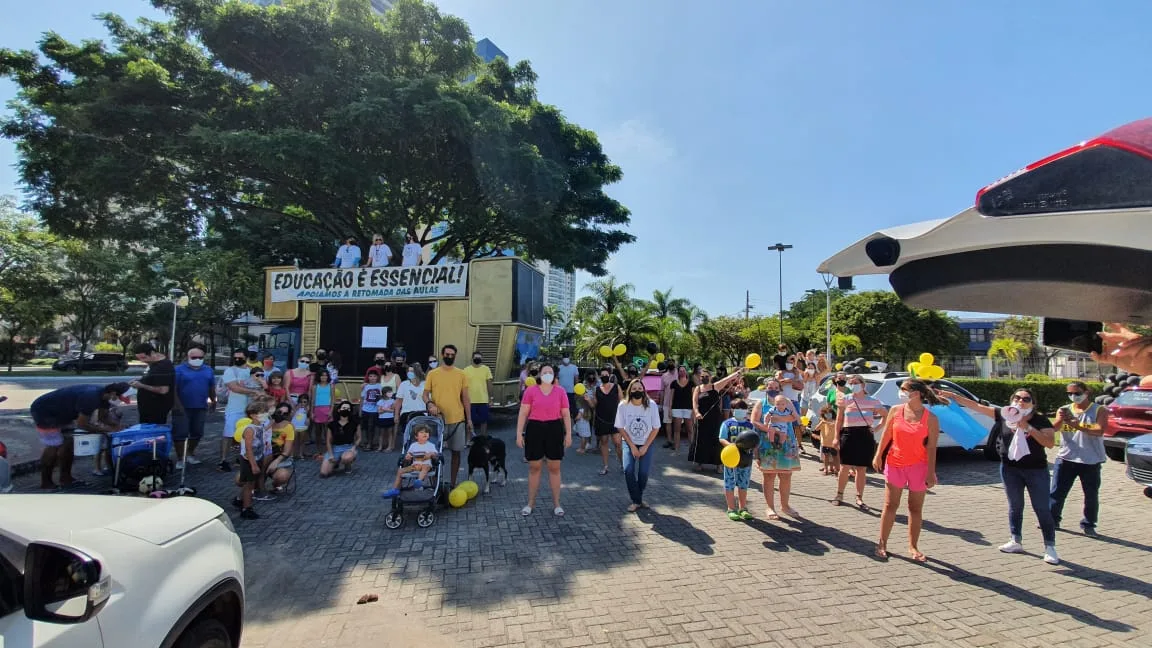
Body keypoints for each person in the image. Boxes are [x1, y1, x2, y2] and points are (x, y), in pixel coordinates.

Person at [944, 387, 1060, 565]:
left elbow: (1050, 443)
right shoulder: (1004, 415)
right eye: (1017, 398)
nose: (1020, 401)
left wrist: (1028, 427)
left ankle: (1049, 546)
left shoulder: (1040, 420)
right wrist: (952, 396)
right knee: (1015, 506)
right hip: (1009, 469)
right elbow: (975, 406)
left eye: (1026, 399)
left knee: (1041, 508)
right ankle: (1016, 540)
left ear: (1032, 403)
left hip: (1036, 470)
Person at [873, 379, 942, 561]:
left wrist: (930, 472)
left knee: (915, 508)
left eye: (904, 389)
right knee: (890, 505)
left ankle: (913, 546)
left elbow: (932, 447)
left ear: (916, 393)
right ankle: (882, 543)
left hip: (919, 466)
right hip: (895, 463)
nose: (901, 392)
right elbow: (887, 434)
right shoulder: (895, 410)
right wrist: (878, 455)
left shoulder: (931, 418)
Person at [30, 382, 130, 490]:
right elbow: (82, 424)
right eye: (120, 398)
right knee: (53, 445)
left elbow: (103, 418)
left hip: (64, 413)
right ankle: (46, 483)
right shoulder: (91, 397)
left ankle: (66, 478)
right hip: (44, 411)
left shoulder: (104, 397)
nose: (120, 401)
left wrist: (119, 427)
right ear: (113, 393)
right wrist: (106, 430)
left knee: (68, 444)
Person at [1050, 381, 1108, 536]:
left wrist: (1078, 425)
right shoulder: (1064, 409)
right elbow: (1053, 429)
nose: (1073, 396)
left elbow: (1099, 430)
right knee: (1057, 492)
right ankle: (1052, 520)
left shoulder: (1099, 410)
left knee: (1090, 494)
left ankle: (1089, 524)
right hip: (1066, 458)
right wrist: (1062, 420)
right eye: (1070, 394)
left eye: (1077, 393)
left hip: (1090, 460)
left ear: (1086, 392)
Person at [516, 363, 572, 516]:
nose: (548, 374)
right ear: (539, 374)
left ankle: (557, 504)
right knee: (534, 468)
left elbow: (566, 414)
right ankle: (530, 503)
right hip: (535, 429)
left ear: (554, 375)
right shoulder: (530, 391)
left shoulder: (560, 391)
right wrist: (519, 434)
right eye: (545, 372)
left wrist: (569, 434)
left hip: (554, 429)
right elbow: (523, 413)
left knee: (554, 468)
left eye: (550, 372)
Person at [832, 374, 886, 509]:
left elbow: (886, 416)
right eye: (851, 383)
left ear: (863, 385)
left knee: (861, 468)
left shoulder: (873, 401)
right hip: (848, 433)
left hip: (865, 435)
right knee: (844, 467)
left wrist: (877, 428)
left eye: (856, 382)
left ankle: (859, 497)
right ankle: (839, 494)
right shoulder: (845, 399)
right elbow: (839, 420)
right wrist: (836, 437)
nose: (853, 385)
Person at [424, 344, 472, 489]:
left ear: (455, 356)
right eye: (447, 354)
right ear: (442, 354)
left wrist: (469, 419)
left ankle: (452, 483)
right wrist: (430, 404)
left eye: (452, 355)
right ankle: (435, 484)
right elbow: (425, 394)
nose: (449, 357)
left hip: (457, 420)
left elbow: (465, 398)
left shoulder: (461, 374)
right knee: (434, 454)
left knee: (456, 453)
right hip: (438, 420)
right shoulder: (433, 373)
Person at [752, 390, 802, 520]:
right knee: (769, 476)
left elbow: (794, 417)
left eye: (775, 386)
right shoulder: (761, 404)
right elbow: (755, 421)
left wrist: (777, 419)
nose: (773, 388)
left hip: (787, 443)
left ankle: (785, 506)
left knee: (786, 475)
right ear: (766, 389)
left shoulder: (787, 401)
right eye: (770, 386)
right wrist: (769, 428)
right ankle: (770, 507)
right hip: (768, 442)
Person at [614, 379, 662, 512]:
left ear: (644, 390)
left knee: (643, 473)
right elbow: (620, 427)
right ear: (629, 391)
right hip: (629, 442)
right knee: (628, 470)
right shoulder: (623, 405)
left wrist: (645, 446)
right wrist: (632, 446)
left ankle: (637, 499)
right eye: (634, 389)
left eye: (640, 388)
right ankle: (637, 500)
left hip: (647, 442)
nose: (637, 391)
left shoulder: (651, 405)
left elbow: (656, 427)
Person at [220, 348, 265, 473]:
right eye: (235, 357)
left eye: (240, 357)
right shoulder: (230, 370)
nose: (237, 359)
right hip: (234, 408)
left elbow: (260, 385)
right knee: (228, 435)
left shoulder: (250, 371)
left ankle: (243, 457)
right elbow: (234, 387)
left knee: (246, 435)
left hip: (249, 409)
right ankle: (223, 460)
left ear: (246, 357)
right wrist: (253, 391)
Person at [689, 369, 743, 471]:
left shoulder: (716, 386)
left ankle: (718, 465)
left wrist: (738, 373)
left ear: (710, 377)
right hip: (701, 418)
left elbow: (728, 378)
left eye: (706, 376)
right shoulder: (697, 388)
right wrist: (696, 412)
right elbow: (695, 402)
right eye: (702, 376)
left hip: (715, 418)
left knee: (716, 440)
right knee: (701, 440)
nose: (704, 378)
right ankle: (700, 462)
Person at [172, 344, 216, 469]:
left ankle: (190, 453)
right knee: (180, 433)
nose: (197, 359)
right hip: (182, 407)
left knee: (197, 432)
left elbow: (211, 387)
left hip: (200, 406)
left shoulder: (208, 370)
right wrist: (177, 405)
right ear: (188, 357)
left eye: (200, 357)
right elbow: (173, 389)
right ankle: (180, 458)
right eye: (194, 357)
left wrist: (213, 400)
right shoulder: (179, 370)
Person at [718, 398, 756, 521]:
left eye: (742, 408)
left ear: (746, 410)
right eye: (736, 408)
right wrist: (730, 446)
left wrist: (756, 454)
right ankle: (731, 508)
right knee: (729, 483)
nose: (739, 410)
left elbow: (755, 441)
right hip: (731, 458)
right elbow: (722, 438)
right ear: (732, 410)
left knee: (743, 484)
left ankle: (743, 508)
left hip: (746, 459)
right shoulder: (727, 423)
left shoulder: (750, 425)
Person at [234, 400, 272, 520]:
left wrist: (274, 420)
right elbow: (248, 449)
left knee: (250, 482)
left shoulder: (259, 425)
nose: (265, 414)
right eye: (263, 412)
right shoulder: (250, 429)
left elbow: (265, 428)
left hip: (257, 457)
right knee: (249, 485)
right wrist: (254, 465)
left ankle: (241, 500)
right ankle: (246, 508)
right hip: (249, 460)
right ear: (253, 415)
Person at [380, 423, 438, 498]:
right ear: (416, 436)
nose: (425, 434)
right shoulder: (413, 445)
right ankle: (395, 489)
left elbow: (435, 454)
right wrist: (408, 456)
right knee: (400, 471)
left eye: (426, 432)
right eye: (422, 432)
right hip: (415, 465)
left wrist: (431, 454)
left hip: (426, 465)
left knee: (425, 467)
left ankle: (419, 481)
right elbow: (409, 454)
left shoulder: (430, 445)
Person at [586, 366, 621, 475]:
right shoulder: (597, 389)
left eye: (607, 375)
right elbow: (594, 404)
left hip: (615, 419)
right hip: (601, 420)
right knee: (604, 443)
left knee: (617, 443)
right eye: (603, 375)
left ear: (610, 376)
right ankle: (605, 466)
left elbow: (622, 402)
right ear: (600, 377)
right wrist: (588, 400)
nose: (605, 376)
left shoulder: (616, 387)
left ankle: (623, 464)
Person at [131, 343, 175, 425]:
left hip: (156, 409)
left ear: (152, 353)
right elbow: (153, 379)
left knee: (152, 433)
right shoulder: (153, 364)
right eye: (139, 359)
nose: (142, 361)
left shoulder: (163, 366)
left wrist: (141, 385)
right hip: (147, 408)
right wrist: (140, 381)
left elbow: (163, 390)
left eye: (144, 357)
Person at [322, 400, 360, 477]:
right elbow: (328, 441)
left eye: (348, 408)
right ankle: (336, 462)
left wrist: (353, 448)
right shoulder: (332, 424)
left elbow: (359, 438)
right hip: (335, 448)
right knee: (324, 473)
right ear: (339, 410)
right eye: (344, 408)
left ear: (351, 411)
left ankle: (347, 466)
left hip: (348, 447)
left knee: (347, 458)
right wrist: (331, 454)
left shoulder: (355, 423)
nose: (345, 410)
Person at [265, 402, 295, 492]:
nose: (281, 415)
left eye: (285, 414)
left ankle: (274, 485)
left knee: (282, 476)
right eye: (279, 412)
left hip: (279, 456)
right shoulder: (265, 421)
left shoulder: (289, 426)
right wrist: (270, 423)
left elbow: (287, 451)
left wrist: (275, 462)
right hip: (263, 455)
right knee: (239, 479)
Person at [463, 351, 494, 438]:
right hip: (470, 401)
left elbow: (489, 384)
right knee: (469, 421)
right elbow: (463, 386)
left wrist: (491, 398)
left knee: (484, 421)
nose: (477, 359)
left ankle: (483, 439)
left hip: (483, 400)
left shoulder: (486, 369)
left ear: (482, 359)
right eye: (476, 357)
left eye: (479, 357)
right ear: (472, 358)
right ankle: (468, 440)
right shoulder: (466, 370)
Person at [665, 366, 695, 455]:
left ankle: (692, 451)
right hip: (676, 408)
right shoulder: (674, 383)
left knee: (690, 430)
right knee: (677, 430)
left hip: (689, 408)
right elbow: (671, 397)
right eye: (680, 371)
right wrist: (670, 409)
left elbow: (694, 398)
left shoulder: (691, 383)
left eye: (683, 370)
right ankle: (676, 450)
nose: (682, 372)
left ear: (686, 372)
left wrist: (694, 410)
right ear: (678, 372)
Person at [308, 369, 335, 454]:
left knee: (327, 431)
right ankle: (319, 450)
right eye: (322, 375)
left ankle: (328, 449)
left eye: (326, 375)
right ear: (319, 377)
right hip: (317, 409)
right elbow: (313, 400)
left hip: (327, 409)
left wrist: (331, 411)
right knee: (318, 432)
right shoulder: (315, 386)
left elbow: (333, 400)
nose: (324, 377)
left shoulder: (331, 386)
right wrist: (312, 412)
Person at [360, 370, 383, 450]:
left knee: (372, 427)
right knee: (365, 427)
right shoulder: (365, 386)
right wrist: (360, 409)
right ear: (368, 377)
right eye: (370, 376)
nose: (372, 378)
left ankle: (371, 443)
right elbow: (362, 398)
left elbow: (382, 398)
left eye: (374, 376)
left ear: (377, 377)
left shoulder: (380, 386)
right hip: (365, 409)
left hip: (375, 410)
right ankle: (366, 442)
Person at [816, 409, 839, 475]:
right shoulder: (822, 422)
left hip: (833, 444)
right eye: (826, 414)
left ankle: (836, 469)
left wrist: (827, 423)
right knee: (826, 457)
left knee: (835, 457)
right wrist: (821, 423)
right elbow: (816, 429)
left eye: (829, 413)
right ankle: (825, 469)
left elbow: (836, 426)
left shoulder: (835, 421)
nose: (828, 415)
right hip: (825, 443)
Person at [290, 395, 311, 460]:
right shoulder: (295, 407)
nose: (302, 403)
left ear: (307, 402)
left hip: (303, 426)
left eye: (305, 402)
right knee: (294, 441)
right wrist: (296, 409)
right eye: (301, 402)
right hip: (294, 426)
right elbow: (291, 416)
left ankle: (300, 454)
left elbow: (308, 418)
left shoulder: (307, 409)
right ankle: (292, 454)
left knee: (302, 441)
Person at [377, 386, 397, 452]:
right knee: (381, 433)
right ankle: (380, 447)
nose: (391, 393)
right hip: (382, 419)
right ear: (385, 393)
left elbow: (393, 410)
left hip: (390, 418)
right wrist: (387, 410)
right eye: (389, 392)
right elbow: (379, 411)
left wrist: (384, 409)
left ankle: (389, 447)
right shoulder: (380, 401)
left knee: (390, 433)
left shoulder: (393, 401)